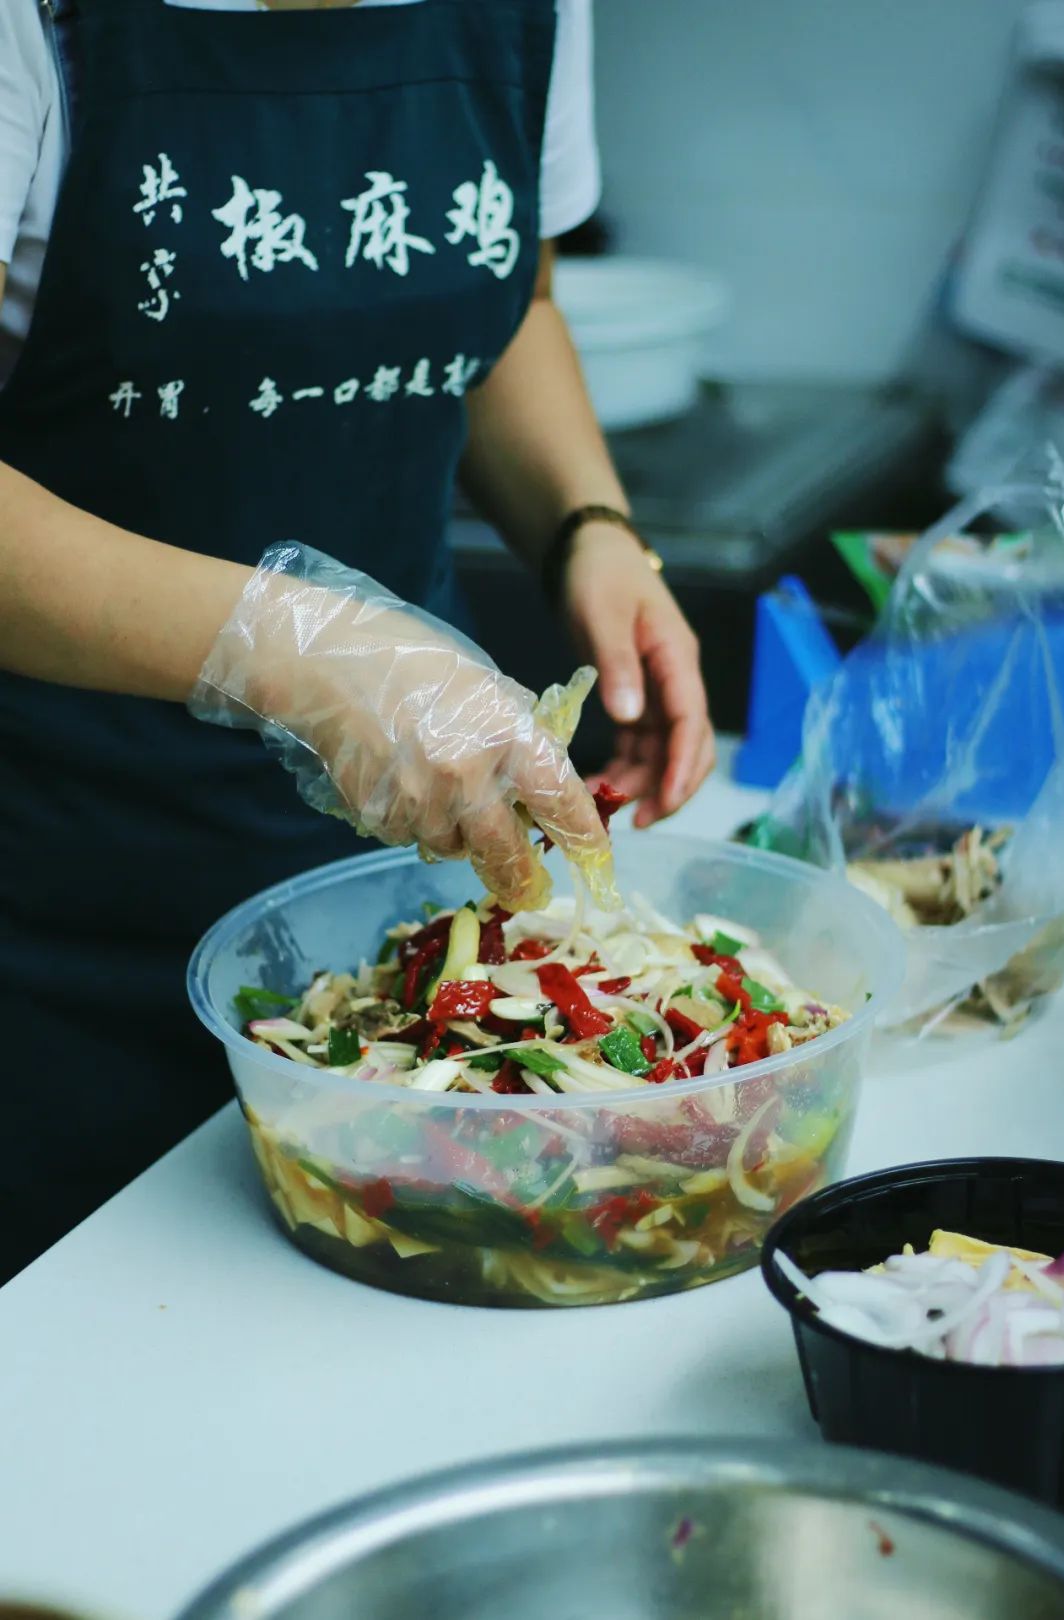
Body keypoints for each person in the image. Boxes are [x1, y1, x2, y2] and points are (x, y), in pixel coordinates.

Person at [0, 0, 713, 1281]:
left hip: (398, 881)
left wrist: (589, 526)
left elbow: (506, 299)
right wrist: (300, 653)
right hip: (47, 895)